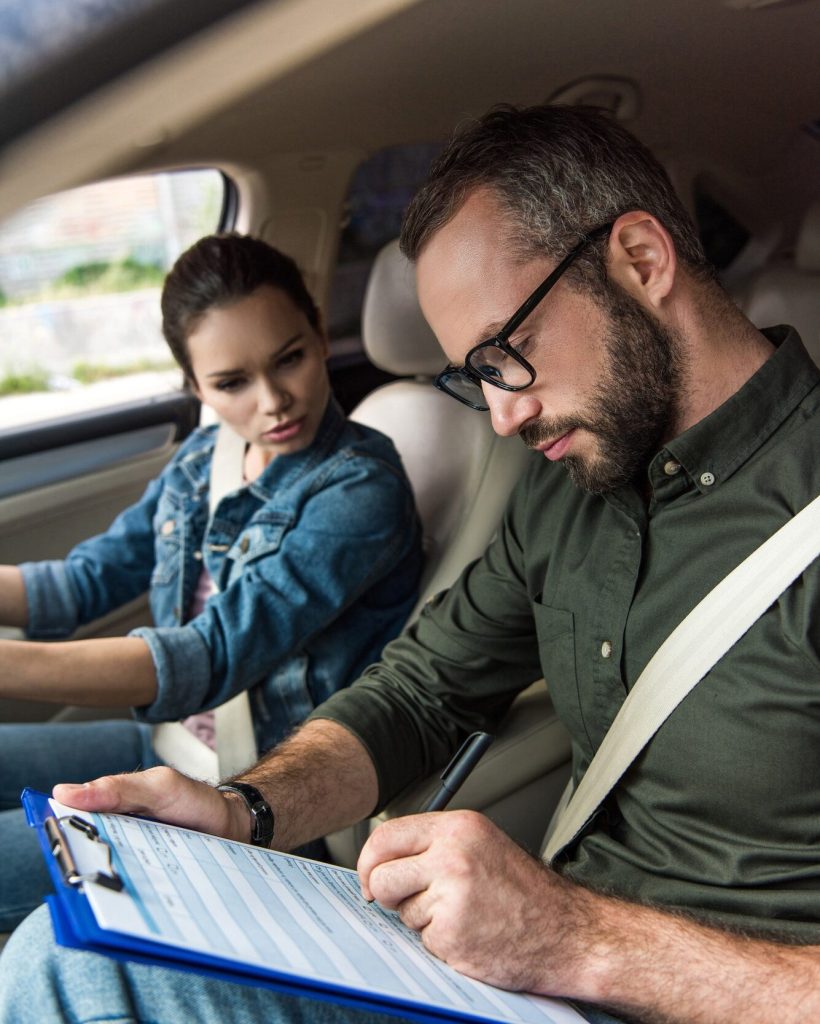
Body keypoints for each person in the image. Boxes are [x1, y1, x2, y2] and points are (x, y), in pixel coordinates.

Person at [1, 104, 818, 1024]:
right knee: (77, 945)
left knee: (75, 977)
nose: (504, 418)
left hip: (640, 980)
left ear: (640, 259)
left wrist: (575, 938)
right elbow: (421, 691)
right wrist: (241, 810)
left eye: (506, 355)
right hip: (520, 980)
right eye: (474, 379)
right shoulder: (569, 488)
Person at [0, 233, 423, 933]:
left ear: (320, 335)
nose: (275, 401)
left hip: (251, 794)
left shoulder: (360, 489)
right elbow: (87, 579)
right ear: (196, 387)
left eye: (289, 358)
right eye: (232, 383)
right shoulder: (205, 457)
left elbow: (209, 656)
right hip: (162, 750)